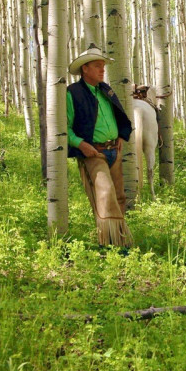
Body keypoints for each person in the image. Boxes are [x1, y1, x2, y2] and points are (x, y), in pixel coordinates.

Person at [66, 47, 133, 247]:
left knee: (119, 196)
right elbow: (64, 127)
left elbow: (117, 115)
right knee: (105, 196)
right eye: (97, 66)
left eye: (103, 66)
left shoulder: (106, 91)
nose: (102, 70)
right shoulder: (73, 93)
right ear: (85, 69)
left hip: (114, 150)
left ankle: (119, 239)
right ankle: (110, 244)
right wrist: (81, 144)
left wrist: (120, 135)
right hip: (93, 152)